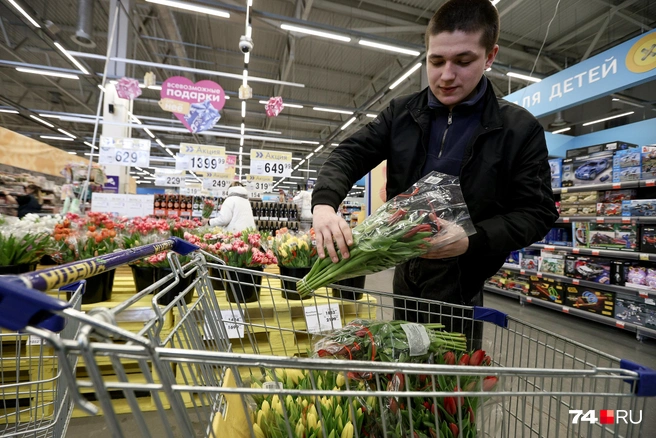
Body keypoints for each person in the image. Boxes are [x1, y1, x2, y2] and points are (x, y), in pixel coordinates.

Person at [311, 0, 558, 343]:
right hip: (404, 270)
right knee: (404, 367)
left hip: (461, 282)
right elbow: (350, 154)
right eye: (436, 61)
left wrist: (470, 239)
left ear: (490, 56)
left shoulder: (518, 129)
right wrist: (324, 205)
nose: (446, 75)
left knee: (448, 384)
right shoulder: (401, 114)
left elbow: (537, 212)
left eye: (464, 61)